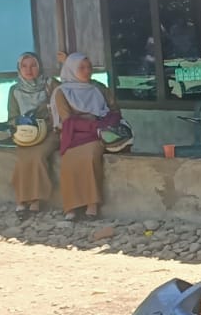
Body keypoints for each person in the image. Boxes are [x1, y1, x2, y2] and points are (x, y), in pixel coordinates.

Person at [52, 53, 120, 222]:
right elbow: (67, 120)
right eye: (81, 68)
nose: (87, 71)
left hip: (98, 135)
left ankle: (92, 205)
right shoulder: (61, 92)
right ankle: (72, 206)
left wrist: (103, 123)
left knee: (90, 156)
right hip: (73, 135)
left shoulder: (98, 88)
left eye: (89, 67)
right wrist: (92, 123)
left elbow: (114, 110)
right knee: (69, 160)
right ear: (71, 69)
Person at [7, 51, 58, 215]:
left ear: (40, 67)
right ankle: (22, 199)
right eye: (24, 66)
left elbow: (62, 109)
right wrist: (22, 123)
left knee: (37, 156)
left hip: (51, 132)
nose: (29, 70)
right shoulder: (15, 91)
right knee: (23, 159)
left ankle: (36, 199)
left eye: (33, 65)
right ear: (19, 68)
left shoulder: (50, 85)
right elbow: (12, 117)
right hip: (27, 134)